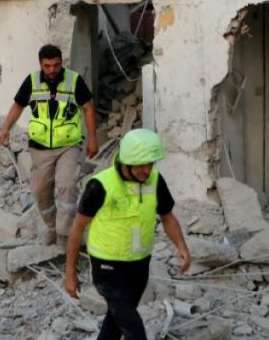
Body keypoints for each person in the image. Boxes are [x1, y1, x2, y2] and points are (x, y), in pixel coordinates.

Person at [64, 128, 191, 340]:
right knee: (133, 327)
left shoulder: (155, 180)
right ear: (126, 162)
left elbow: (167, 216)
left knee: (116, 323)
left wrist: (181, 246)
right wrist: (70, 275)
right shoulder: (100, 186)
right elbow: (77, 228)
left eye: (150, 164)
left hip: (139, 266)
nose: (147, 170)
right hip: (107, 268)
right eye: (141, 164)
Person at [0, 44, 98, 246]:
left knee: (66, 186)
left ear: (61, 62)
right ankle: (52, 228)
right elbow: (18, 105)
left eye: (56, 65)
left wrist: (93, 138)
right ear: (40, 64)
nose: (52, 70)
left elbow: (88, 107)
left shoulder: (74, 81)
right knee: (41, 191)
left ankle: (65, 235)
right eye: (47, 66)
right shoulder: (32, 81)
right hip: (40, 147)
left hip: (68, 145)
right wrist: (6, 128)